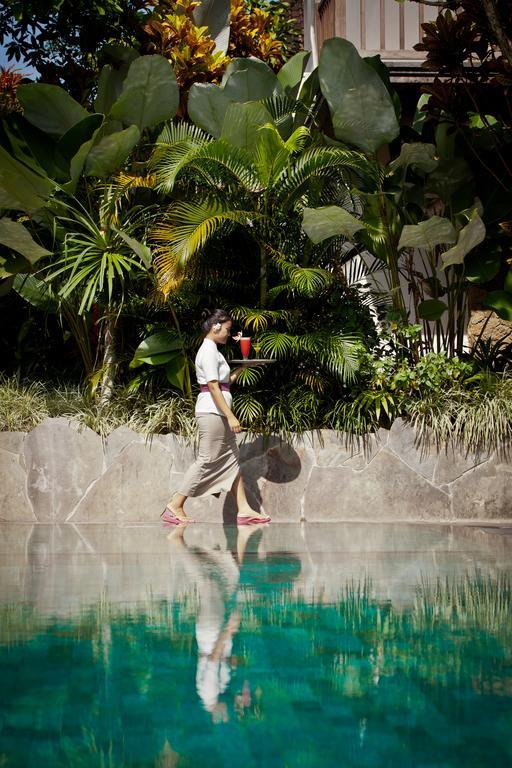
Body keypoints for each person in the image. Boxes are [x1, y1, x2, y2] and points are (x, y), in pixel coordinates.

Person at [161, 308, 271, 525]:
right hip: (212, 412)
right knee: (206, 460)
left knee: (232, 460)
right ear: (216, 326)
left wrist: (243, 368)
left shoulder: (214, 351)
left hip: (217, 412)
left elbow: (223, 382)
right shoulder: (208, 351)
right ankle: (175, 504)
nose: (229, 335)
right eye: (228, 330)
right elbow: (212, 386)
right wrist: (230, 416)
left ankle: (245, 510)